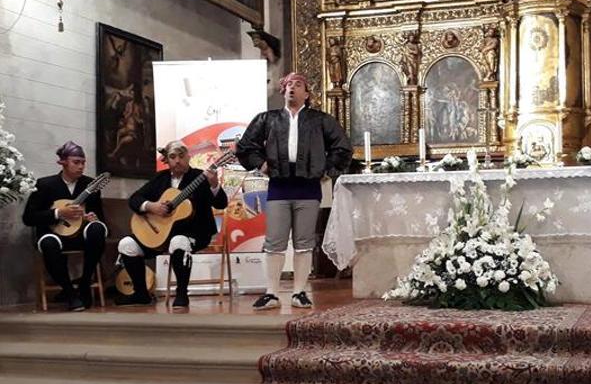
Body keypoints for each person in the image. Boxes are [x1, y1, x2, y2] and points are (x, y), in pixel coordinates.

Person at [236, 72, 352, 310]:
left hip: (308, 186)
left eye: (298, 85)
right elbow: (246, 146)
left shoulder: (321, 120)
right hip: (279, 185)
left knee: (304, 242)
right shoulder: (267, 119)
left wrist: (327, 170)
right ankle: (271, 292)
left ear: (306, 94)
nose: (292, 88)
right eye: (288, 84)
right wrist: (261, 163)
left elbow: (342, 146)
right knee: (275, 241)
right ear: (283, 91)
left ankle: (299, 291)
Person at [116, 141, 228, 308]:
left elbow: (221, 204)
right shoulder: (160, 178)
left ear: (188, 157)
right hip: (160, 233)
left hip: (195, 232)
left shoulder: (200, 177)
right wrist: (151, 206)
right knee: (126, 245)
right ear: (167, 160)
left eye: (181, 156)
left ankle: (182, 294)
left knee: (179, 241)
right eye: (173, 157)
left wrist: (214, 184)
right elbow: (134, 199)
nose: (177, 161)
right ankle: (141, 294)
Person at [23, 142, 107, 311]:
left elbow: (100, 217)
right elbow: (29, 218)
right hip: (54, 234)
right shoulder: (44, 185)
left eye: (83, 162)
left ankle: (84, 283)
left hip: (81, 236)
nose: (81, 166)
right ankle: (70, 293)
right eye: (76, 162)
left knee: (98, 229)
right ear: (63, 162)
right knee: (48, 244)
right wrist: (58, 213)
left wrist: (92, 218)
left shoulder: (90, 185)